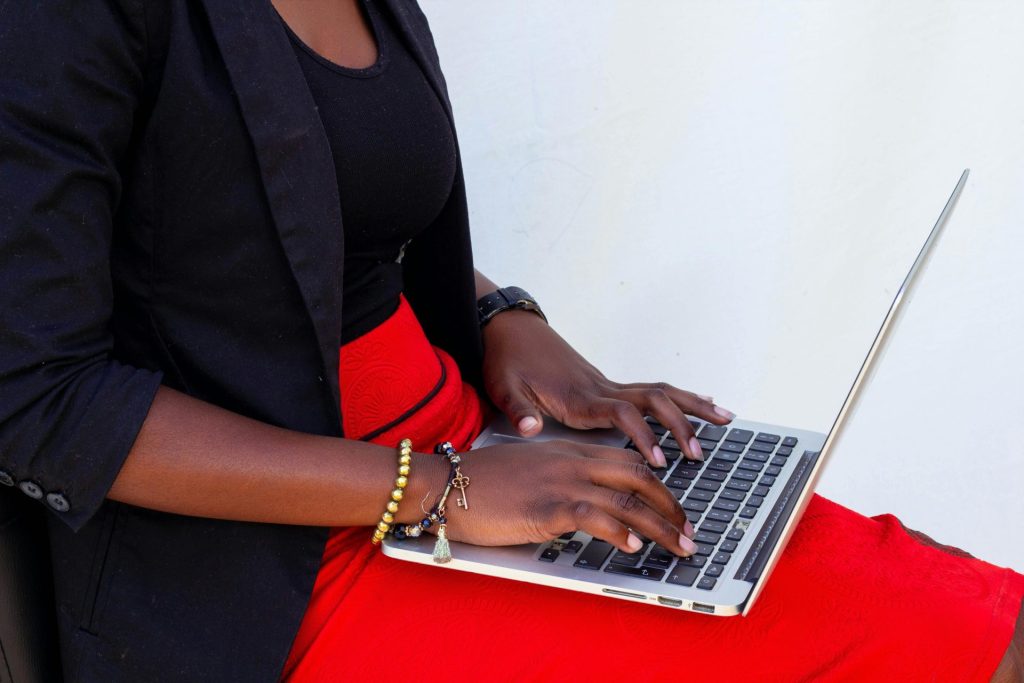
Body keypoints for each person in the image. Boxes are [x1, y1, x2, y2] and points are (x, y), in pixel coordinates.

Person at [0, 1, 1020, 680]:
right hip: (275, 569)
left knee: (928, 595)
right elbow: (37, 397)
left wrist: (502, 319)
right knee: (898, 633)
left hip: (470, 453)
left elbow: (316, 228)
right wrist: (432, 489)